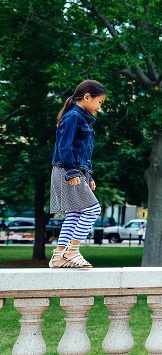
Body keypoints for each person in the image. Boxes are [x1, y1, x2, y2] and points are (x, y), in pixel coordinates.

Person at [48, 80, 107, 269]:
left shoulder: (83, 118)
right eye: (99, 102)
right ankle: (72, 251)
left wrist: (87, 177)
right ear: (88, 97)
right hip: (66, 170)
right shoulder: (73, 116)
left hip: (74, 170)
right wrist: (73, 172)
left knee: (75, 212)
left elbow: (83, 153)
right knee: (92, 209)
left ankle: (58, 256)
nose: (99, 107)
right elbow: (64, 147)